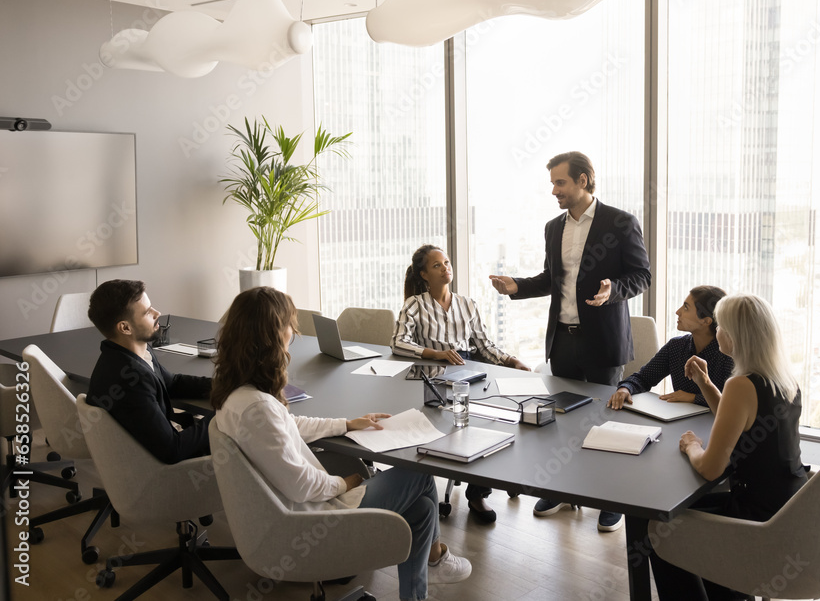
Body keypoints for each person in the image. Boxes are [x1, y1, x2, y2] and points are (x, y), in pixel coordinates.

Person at [212, 287, 471, 601]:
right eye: (288, 326)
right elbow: (303, 486)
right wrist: (347, 482)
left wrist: (347, 424)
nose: (293, 333)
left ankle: (424, 581)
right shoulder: (258, 409)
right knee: (419, 472)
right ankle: (436, 559)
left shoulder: (238, 395)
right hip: (312, 525)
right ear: (269, 336)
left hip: (289, 514)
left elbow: (287, 426)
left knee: (422, 509)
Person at [488, 150, 650, 533]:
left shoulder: (620, 222)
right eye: (552, 184)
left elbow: (641, 275)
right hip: (562, 338)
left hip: (603, 341)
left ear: (583, 180)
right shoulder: (552, 228)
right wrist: (518, 287)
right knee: (566, 423)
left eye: (560, 182)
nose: (554, 191)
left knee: (606, 423)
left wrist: (614, 290)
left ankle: (612, 499)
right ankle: (566, 491)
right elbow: (551, 278)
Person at [626, 293, 809, 600]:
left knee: (656, 526)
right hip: (789, 504)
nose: (718, 331)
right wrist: (705, 383)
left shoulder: (741, 385)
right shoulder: (783, 378)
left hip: (754, 516)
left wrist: (691, 446)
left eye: (722, 325)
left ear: (735, 336)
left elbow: (711, 467)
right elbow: (742, 417)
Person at [392, 244, 530, 523]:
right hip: (431, 378)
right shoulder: (415, 305)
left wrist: (511, 360)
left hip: (467, 374)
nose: (446, 268)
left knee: (489, 427)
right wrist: (436, 353)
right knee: (435, 430)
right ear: (424, 274)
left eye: (446, 262)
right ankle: (420, 490)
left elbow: (484, 345)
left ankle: (477, 494)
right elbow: (398, 342)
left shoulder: (467, 304)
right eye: (437, 265)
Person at [87, 279, 212, 464]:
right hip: (159, 472)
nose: (157, 313)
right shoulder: (130, 379)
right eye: (147, 312)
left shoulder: (133, 352)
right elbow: (172, 450)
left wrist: (226, 385)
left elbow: (172, 383)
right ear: (125, 328)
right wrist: (224, 417)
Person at [608, 286, 732, 411]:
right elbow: (643, 378)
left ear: (705, 321)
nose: (678, 312)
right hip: (680, 421)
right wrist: (625, 388)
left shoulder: (728, 355)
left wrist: (693, 398)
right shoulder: (676, 346)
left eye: (686, 307)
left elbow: (731, 404)